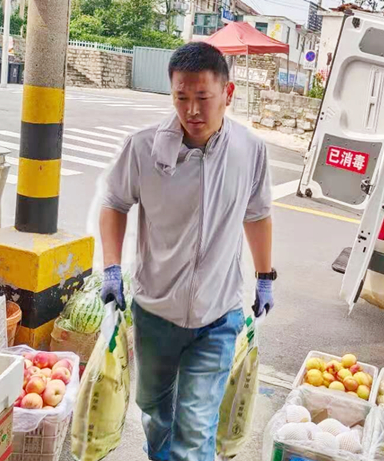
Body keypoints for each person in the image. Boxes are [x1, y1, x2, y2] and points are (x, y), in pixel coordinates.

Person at [99, 42, 276, 461]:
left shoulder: (249, 150)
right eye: (181, 97)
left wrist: (265, 277)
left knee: (196, 426)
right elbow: (114, 203)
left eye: (202, 97)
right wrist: (111, 268)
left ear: (228, 94)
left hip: (218, 314)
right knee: (154, 411)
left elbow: (257, 214)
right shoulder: (143, 147)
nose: (192, 110)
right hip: (155, 311)